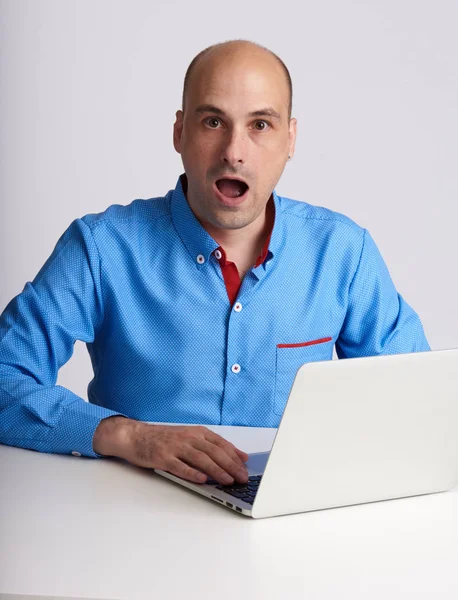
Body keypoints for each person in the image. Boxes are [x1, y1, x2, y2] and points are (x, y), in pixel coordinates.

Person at [0, 39, 429, 488]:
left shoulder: (344, 251)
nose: (234, 151)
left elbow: (416, 398)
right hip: (130, 519)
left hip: (291, 521)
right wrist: (128, 435)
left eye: (260, 124)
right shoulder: (101, 247)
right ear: (179, 132)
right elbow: (6, 376)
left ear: (290, 140)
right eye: (212, 121)